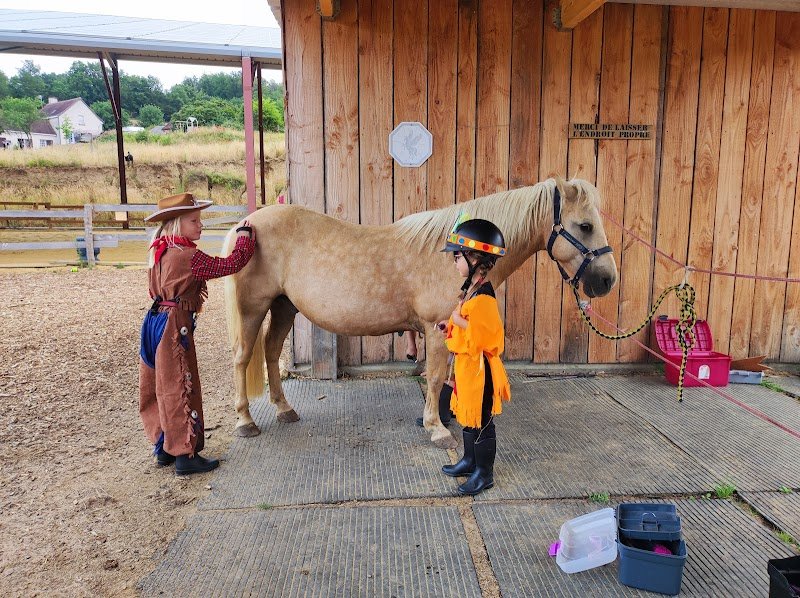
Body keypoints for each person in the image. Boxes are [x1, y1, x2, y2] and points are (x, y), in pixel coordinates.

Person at [139, 192, 257, 475]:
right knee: (180, 383)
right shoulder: (189, 256)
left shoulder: (160, 250)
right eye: (194, 221)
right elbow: (230, 264)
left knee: (158, 384)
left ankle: (166, 447)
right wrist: (244, 237)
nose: (200, 226)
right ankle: (184, 455)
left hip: (154, 320)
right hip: (172, 324)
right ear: (178, 224)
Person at [439, 216, 511, 496]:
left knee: (482, 421)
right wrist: (452, 324)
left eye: (457, 256)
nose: (454, 262)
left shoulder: (484, 297)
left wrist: (459, 319)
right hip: (468, 369)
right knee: (468, 416)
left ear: (475, 259)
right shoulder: (471, 291)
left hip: (481, 371)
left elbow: (490, 338)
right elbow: (467, 327)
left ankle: (484, 474)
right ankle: (470, 461)